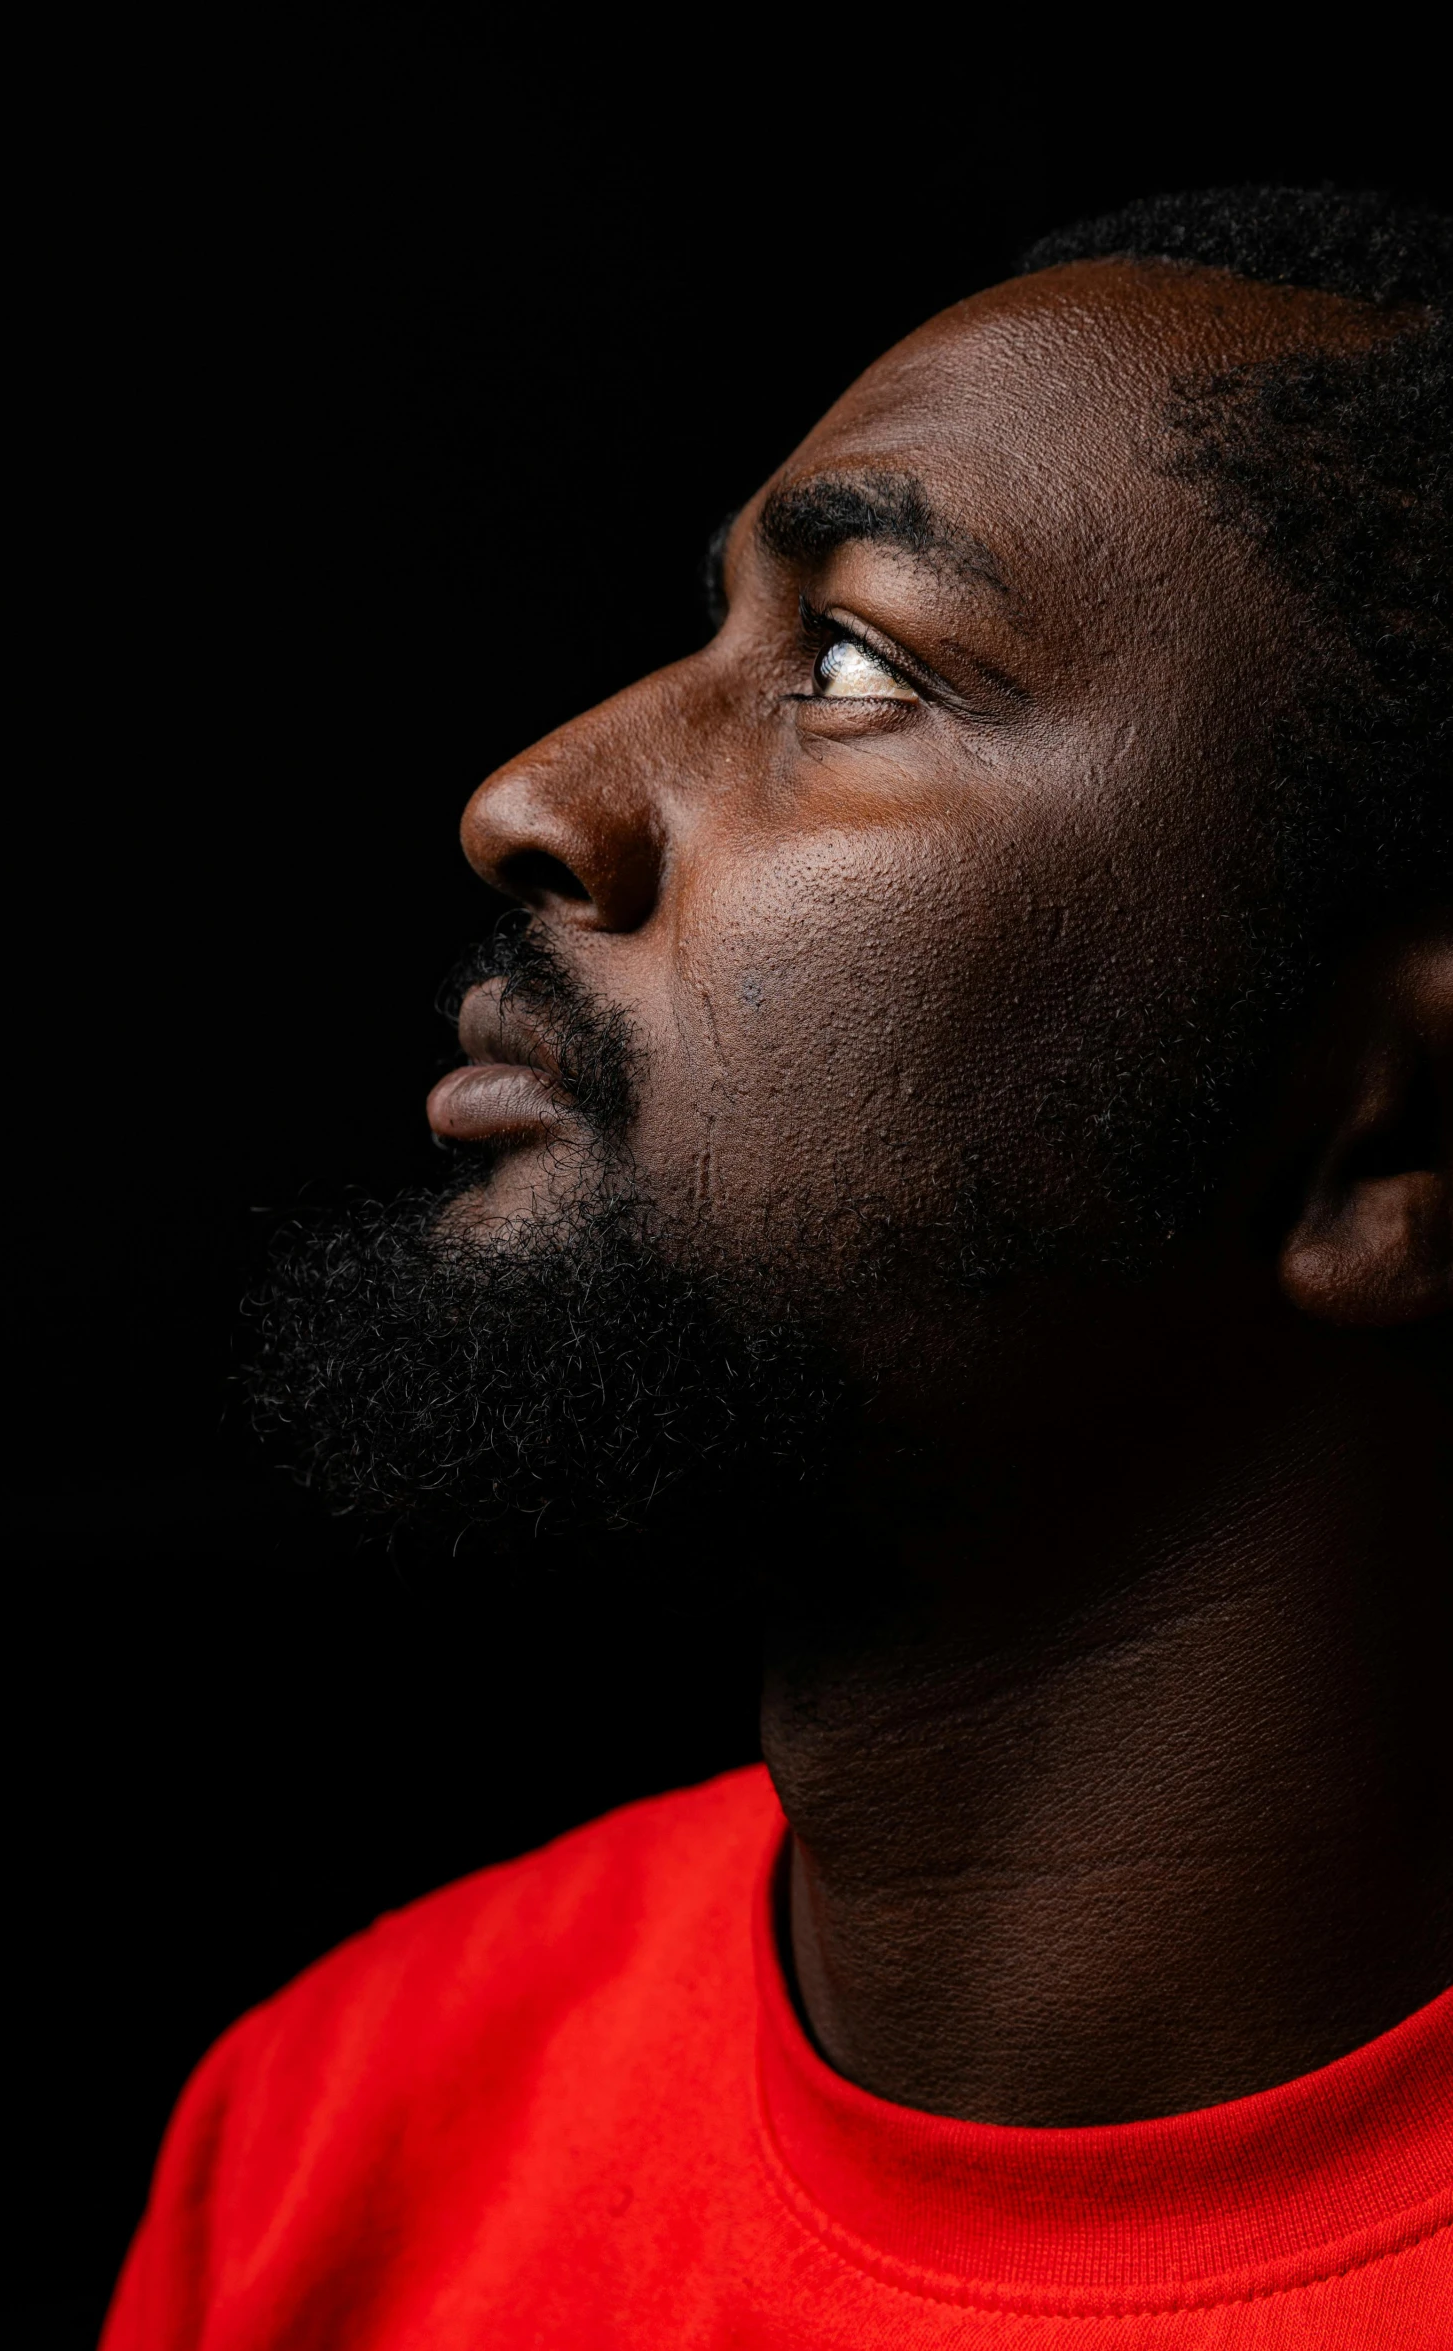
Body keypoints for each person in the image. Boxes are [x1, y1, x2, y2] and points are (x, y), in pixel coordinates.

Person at [102, 186, 1452, 2348]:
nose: (534, 796)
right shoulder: (343, 2130)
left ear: (1396, 1136)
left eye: (851, 663)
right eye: (719, 629)